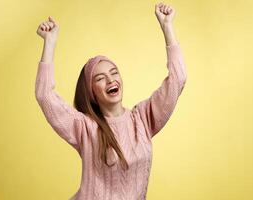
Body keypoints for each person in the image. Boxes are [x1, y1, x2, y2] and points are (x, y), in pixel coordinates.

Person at [35, 2, 186, 199]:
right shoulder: (85, 128)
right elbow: (44, 95)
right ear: (91, 93)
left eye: (114, 73)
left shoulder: (143, 119)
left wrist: (167, 27)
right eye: (100, 78)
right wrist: (50, 42)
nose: (110, 80)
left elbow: (178, 79)